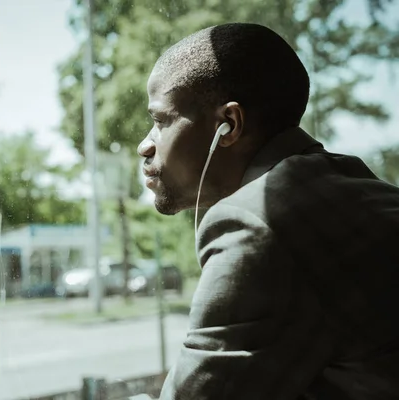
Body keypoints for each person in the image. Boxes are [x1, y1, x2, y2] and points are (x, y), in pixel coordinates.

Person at [137, 22, 399, 399]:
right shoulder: (356, 188)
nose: (146, 146)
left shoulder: (256, 225)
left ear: (228, 125)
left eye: (160, 121)